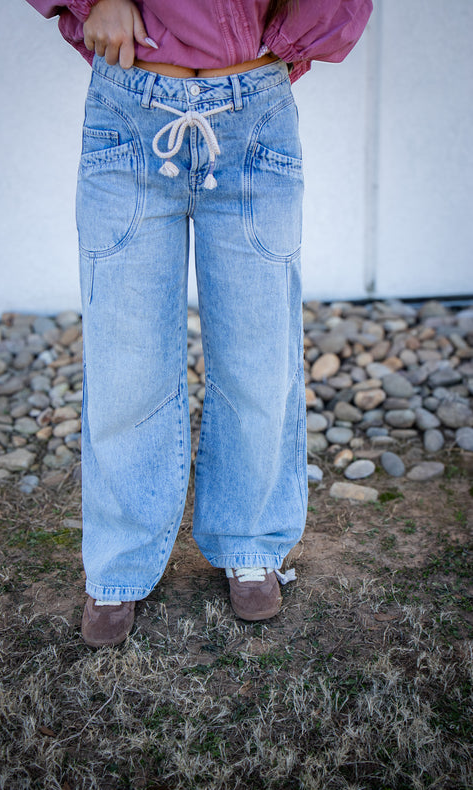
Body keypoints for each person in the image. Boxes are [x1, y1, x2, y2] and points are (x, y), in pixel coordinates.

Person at [26, 0, 372, 647]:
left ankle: (250, 540)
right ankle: (120, 566)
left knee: (258, 356)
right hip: (129, 115)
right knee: (125, 360)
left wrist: (276, 46)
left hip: (254, 119)